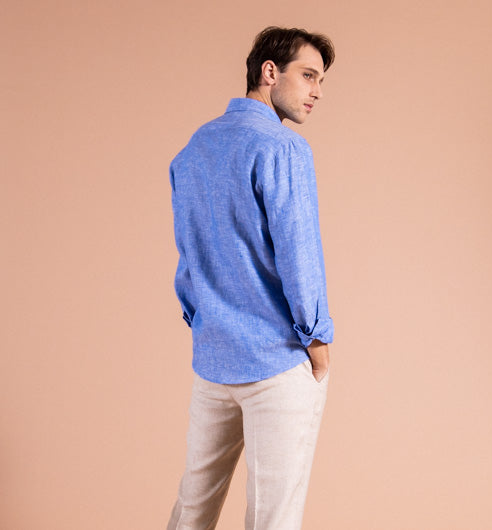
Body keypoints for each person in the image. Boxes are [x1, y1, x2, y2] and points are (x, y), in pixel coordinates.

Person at [167, 26, 335, 530]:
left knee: (193, 508)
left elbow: (188, 254)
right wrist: (317, 338)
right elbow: (300, 256)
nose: (316, 92)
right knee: (272, 518)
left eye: (321, 81)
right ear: (269, 72)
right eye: (308, 75)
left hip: (213, 358)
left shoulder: (194, 148)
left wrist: (205, 322)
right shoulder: (283, 148)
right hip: (276, 359)